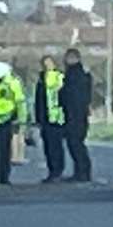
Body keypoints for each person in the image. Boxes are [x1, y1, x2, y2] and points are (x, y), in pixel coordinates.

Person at [0, 60, 26, 186]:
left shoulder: (11, 83)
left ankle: (1, 177)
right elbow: (20, 102)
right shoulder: (9, 82)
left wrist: (21, 120)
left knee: (1, 150)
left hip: (3, 120)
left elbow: (19, 101)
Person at [58, 47, 93, 182]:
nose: (65, 61)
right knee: (76, 144)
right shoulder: (81, 74)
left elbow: (70, 95)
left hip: (75, 115)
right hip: (78, 114)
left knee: (76, 144)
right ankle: (81, 172)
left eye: (67, 58)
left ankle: (83, 172)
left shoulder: (74, 75)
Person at [33, 54, 66, 183]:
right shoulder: (41, 79)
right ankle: (52, 171)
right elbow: (39, 100)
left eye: (49, 63)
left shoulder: (59, 77)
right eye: (44, 63)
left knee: (56, 146)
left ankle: (57, 171)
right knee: (48, 147)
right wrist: (38, 118)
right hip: (45, 118)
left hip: (57, 117)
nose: (47, 66)